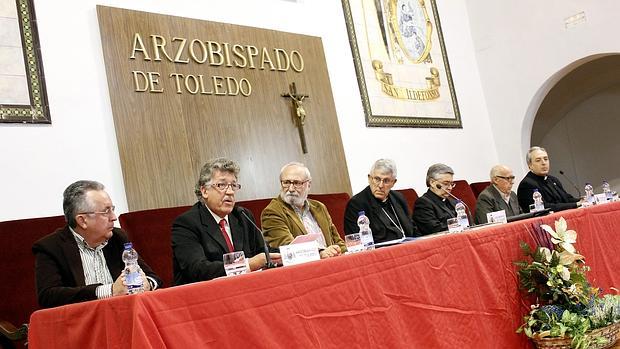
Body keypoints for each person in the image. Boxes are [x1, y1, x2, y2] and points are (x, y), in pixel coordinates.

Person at [32, 180, 162, 309]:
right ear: (82, 220)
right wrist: (109, 291)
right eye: (106, 211)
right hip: (81, 323)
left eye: (112, 209)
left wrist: (147, 284)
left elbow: (154, 278)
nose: (114, 217)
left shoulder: (117, 238)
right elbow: (48, 296)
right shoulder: (51, 247)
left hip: (122, 316)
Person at [171, 157, 281, 285]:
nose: (230, 192)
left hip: (245, 289)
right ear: (204, 191)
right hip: (205, 297)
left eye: (233, 185)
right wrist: (248, 264)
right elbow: (198, 269)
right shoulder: (186, 223)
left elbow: (263, 252)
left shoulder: (243, 216)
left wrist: (292, 253)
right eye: (221, 185)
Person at [261, 162, 345, 258]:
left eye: (297, 183)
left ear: (308, 185)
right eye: (286, 183)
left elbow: (337, 241)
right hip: (304, 268)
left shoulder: (319, 207)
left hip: (332, 261)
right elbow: (287, 247)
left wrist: (346, 253)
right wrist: (321, 253)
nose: (291, 189)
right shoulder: (272, 212)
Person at [344, 159, 417, 243]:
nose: (380, 185)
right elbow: (355, 241)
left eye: (386, 181)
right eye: (377, 179)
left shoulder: (398, 198)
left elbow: (413, 229)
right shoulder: (356, 204)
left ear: (393, 182)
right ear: (369, 179)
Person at [517, 146, 582, 213]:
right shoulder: (526, 184)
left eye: (546, 159)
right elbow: (544, 207)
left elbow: (566, 198)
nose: (543, 163)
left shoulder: (553, 180)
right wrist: (575, 204)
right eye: (538, 160)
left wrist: (581, 200)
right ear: (530, 165)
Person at [412, 163, 458, 235]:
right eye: (446, 184)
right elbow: (435, 230)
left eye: (452, 184)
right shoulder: (423, 203)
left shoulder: (453, 202)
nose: (450, 188)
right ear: (432, 183)